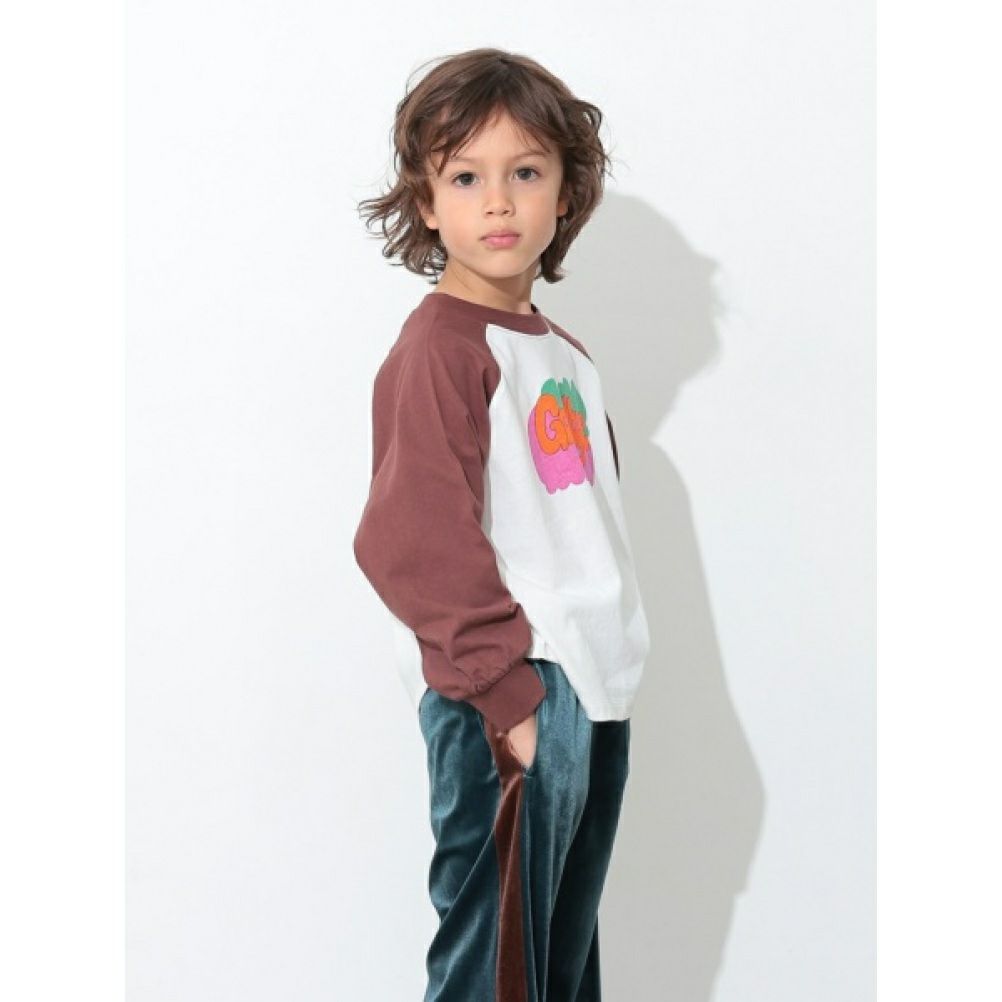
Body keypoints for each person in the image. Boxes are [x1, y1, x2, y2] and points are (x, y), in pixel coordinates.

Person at [352, 47, 650, 1002]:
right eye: (466, 178)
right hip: (512, 687)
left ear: (565, 192)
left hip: (592, 687)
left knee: (557, 966)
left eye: (525, 172)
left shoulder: (565, 355)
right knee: (493, 968)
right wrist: (505, 692)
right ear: (427, 201)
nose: (499, 203)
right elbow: (408, 537)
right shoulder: (441, 350)